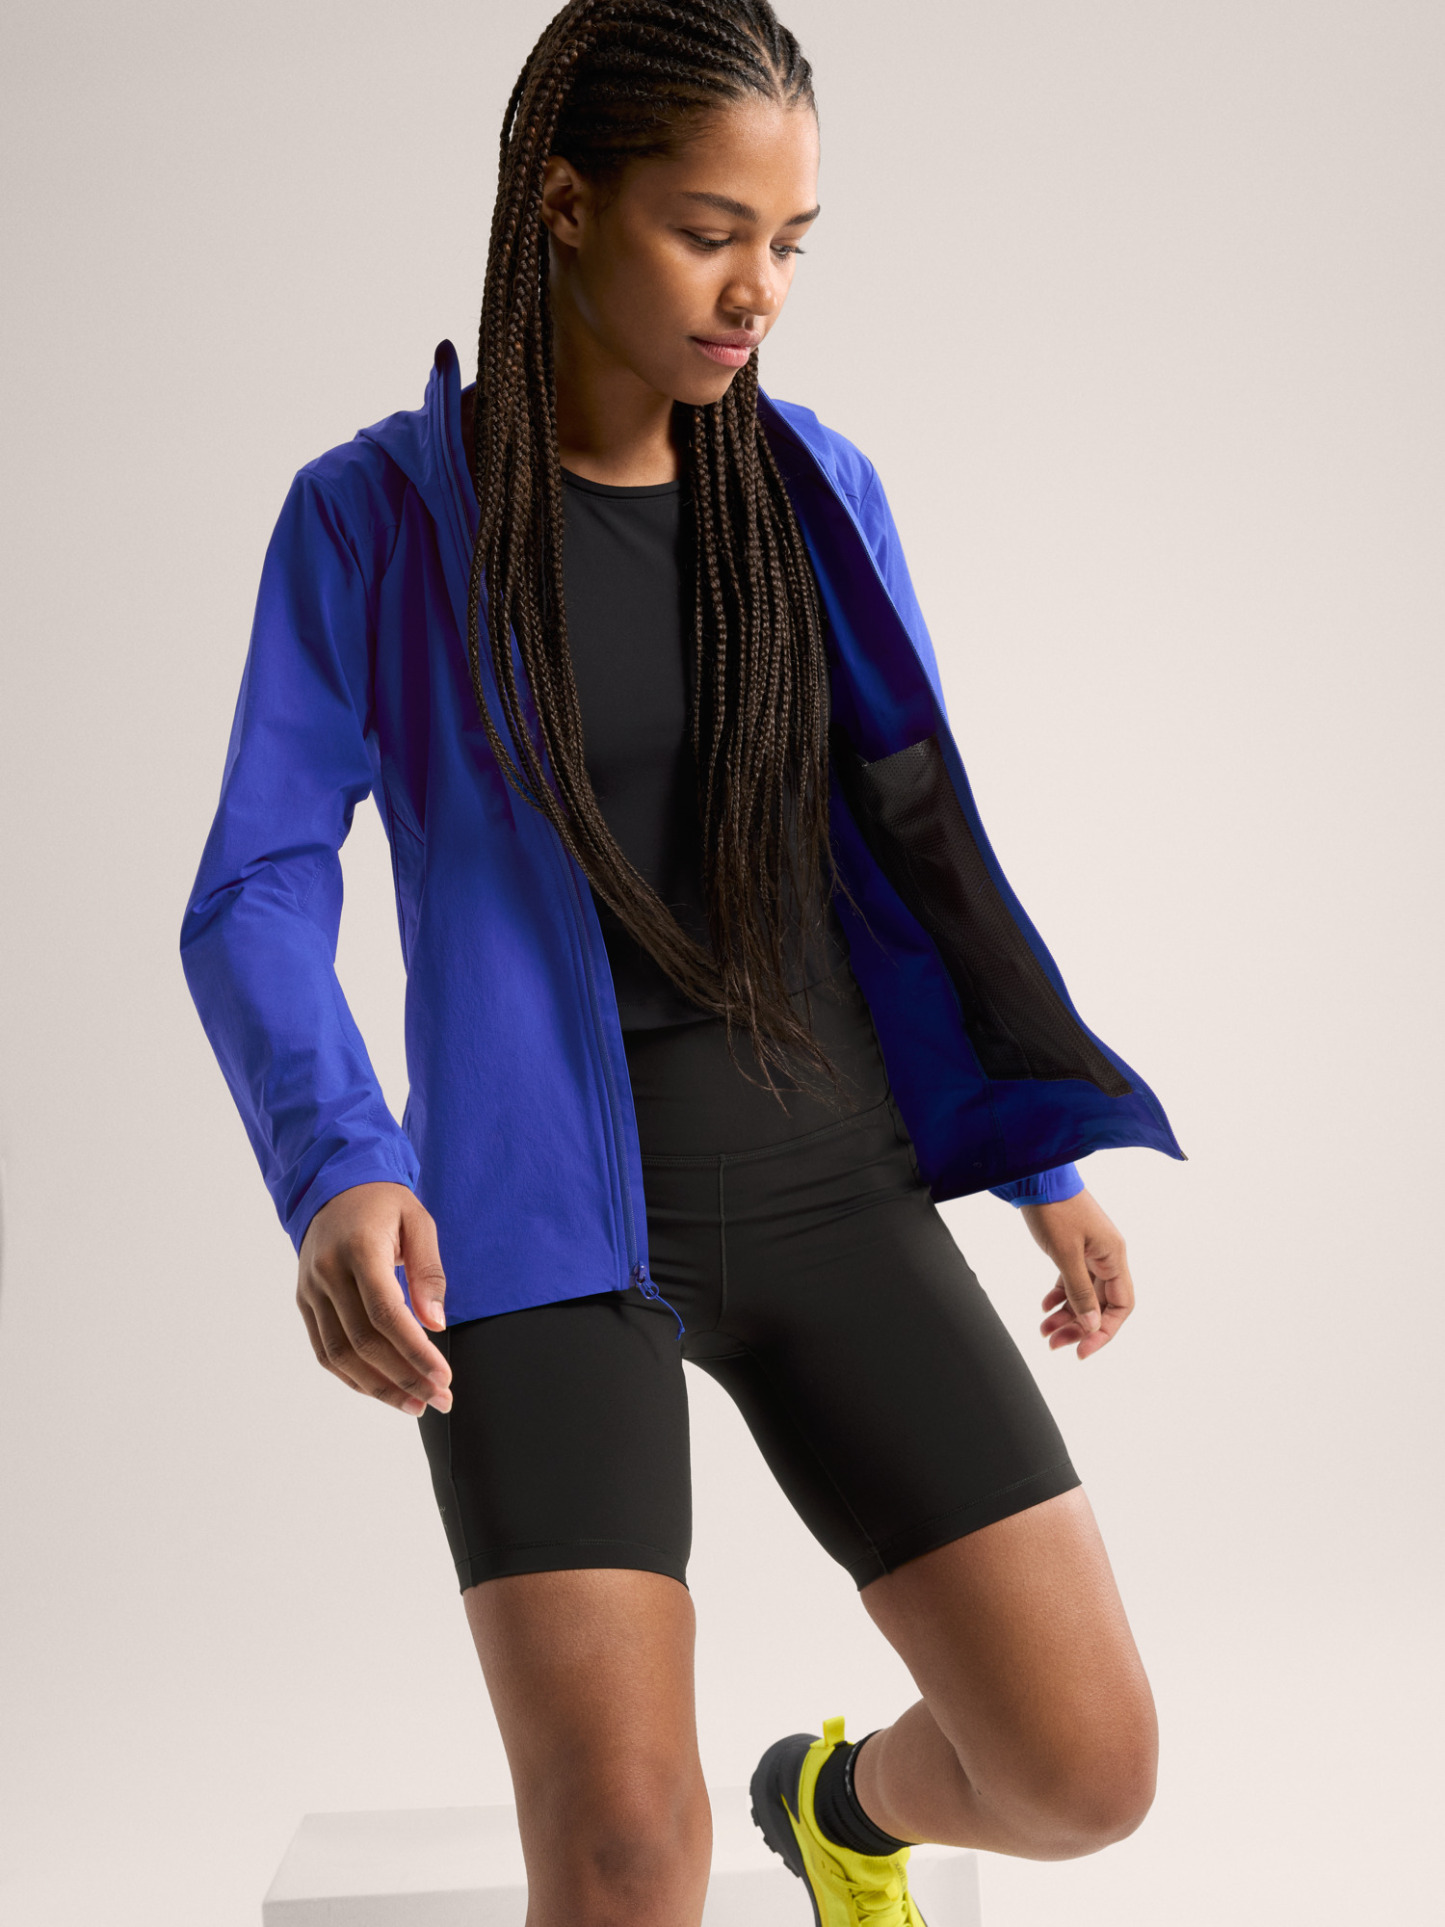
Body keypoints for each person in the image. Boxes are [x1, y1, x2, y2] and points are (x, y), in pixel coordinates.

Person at [181, 3, 1185, 1922]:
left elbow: (915, 849)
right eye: (709, 231)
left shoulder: (815, 494)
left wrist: (1036, 1156)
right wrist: (337, 1166)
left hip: (824, 1171)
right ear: (564, 204)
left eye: (790, 242)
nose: (758, 291)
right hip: (532, 1222)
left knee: (1083, 1774)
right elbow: (257, 881)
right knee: (627, 1854)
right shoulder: (374, 517)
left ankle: (836, 1808)